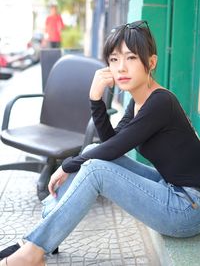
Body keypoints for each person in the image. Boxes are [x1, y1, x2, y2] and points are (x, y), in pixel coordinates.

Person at [1, 20, 200, 266]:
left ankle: (33, 249)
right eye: (114, 59)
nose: (121, 68)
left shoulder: (161, 102)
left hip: (187, 208)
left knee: (95, 169)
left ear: (151, 62)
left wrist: (67, 165)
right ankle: (40, 239)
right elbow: (110, 143)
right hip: (168, 186)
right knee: (92, 151)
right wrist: (96, 99)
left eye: (131, 58)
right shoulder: (137, 102)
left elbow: (115, 148)